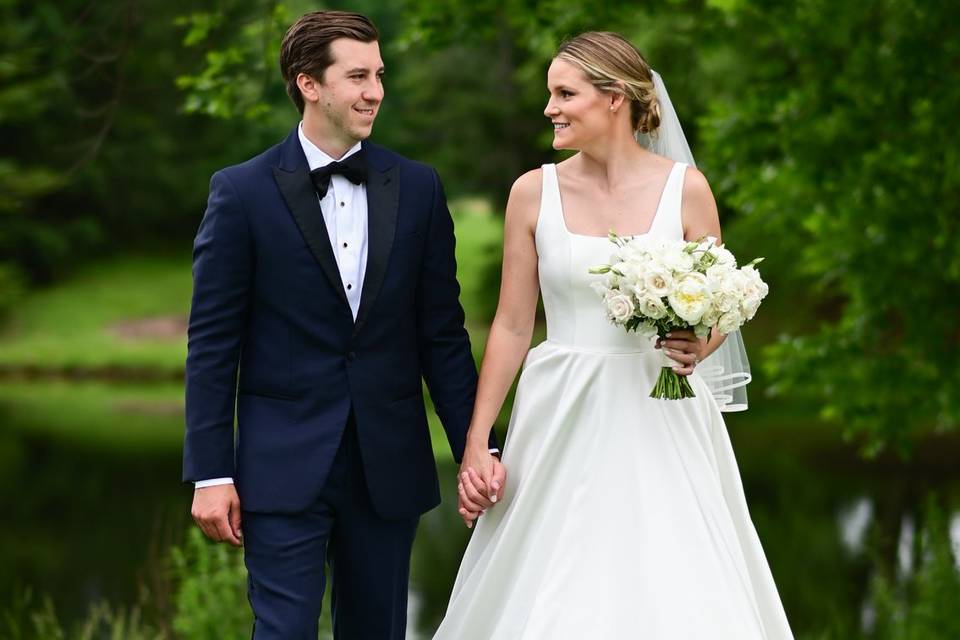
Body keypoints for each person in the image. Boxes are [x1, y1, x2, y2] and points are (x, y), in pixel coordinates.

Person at [433, 32, 794, 639]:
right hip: (558, 411)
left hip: (661, 412)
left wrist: (696, 345)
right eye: (550, 93)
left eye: (564, 93)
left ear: (616, 99)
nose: (550, 107)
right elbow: (514, 325)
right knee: (555, 574)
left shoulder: (687, 189)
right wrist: (477, 442)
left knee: (673, 573)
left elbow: (715, 309)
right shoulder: (532, 192)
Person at [181, 10, 502, 639]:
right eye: (358, 76)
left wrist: (478, 446)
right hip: (281, 465)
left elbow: (441, 335)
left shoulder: (419, 187)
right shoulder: (240, 192)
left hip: (389, 461)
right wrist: (211, 472)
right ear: (309, 84)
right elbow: (213, 346)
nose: (375, 91)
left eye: (379, 75)